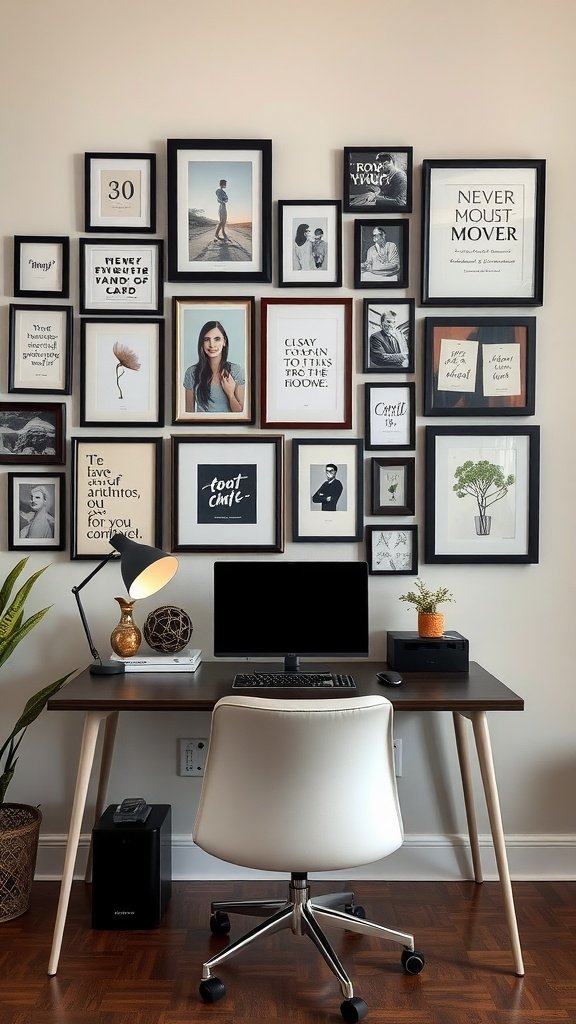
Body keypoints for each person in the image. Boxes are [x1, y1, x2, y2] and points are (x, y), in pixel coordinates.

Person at [183, 321, 245, 414]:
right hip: (201, 427)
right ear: (202, 343)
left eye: (217, 339)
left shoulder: (236, 371)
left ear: (224, 342)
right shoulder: (191, 372)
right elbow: (189, 413)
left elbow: (240, 413)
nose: (212, 344)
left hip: (228, 427)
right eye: (206, 339)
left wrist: (231, 394)